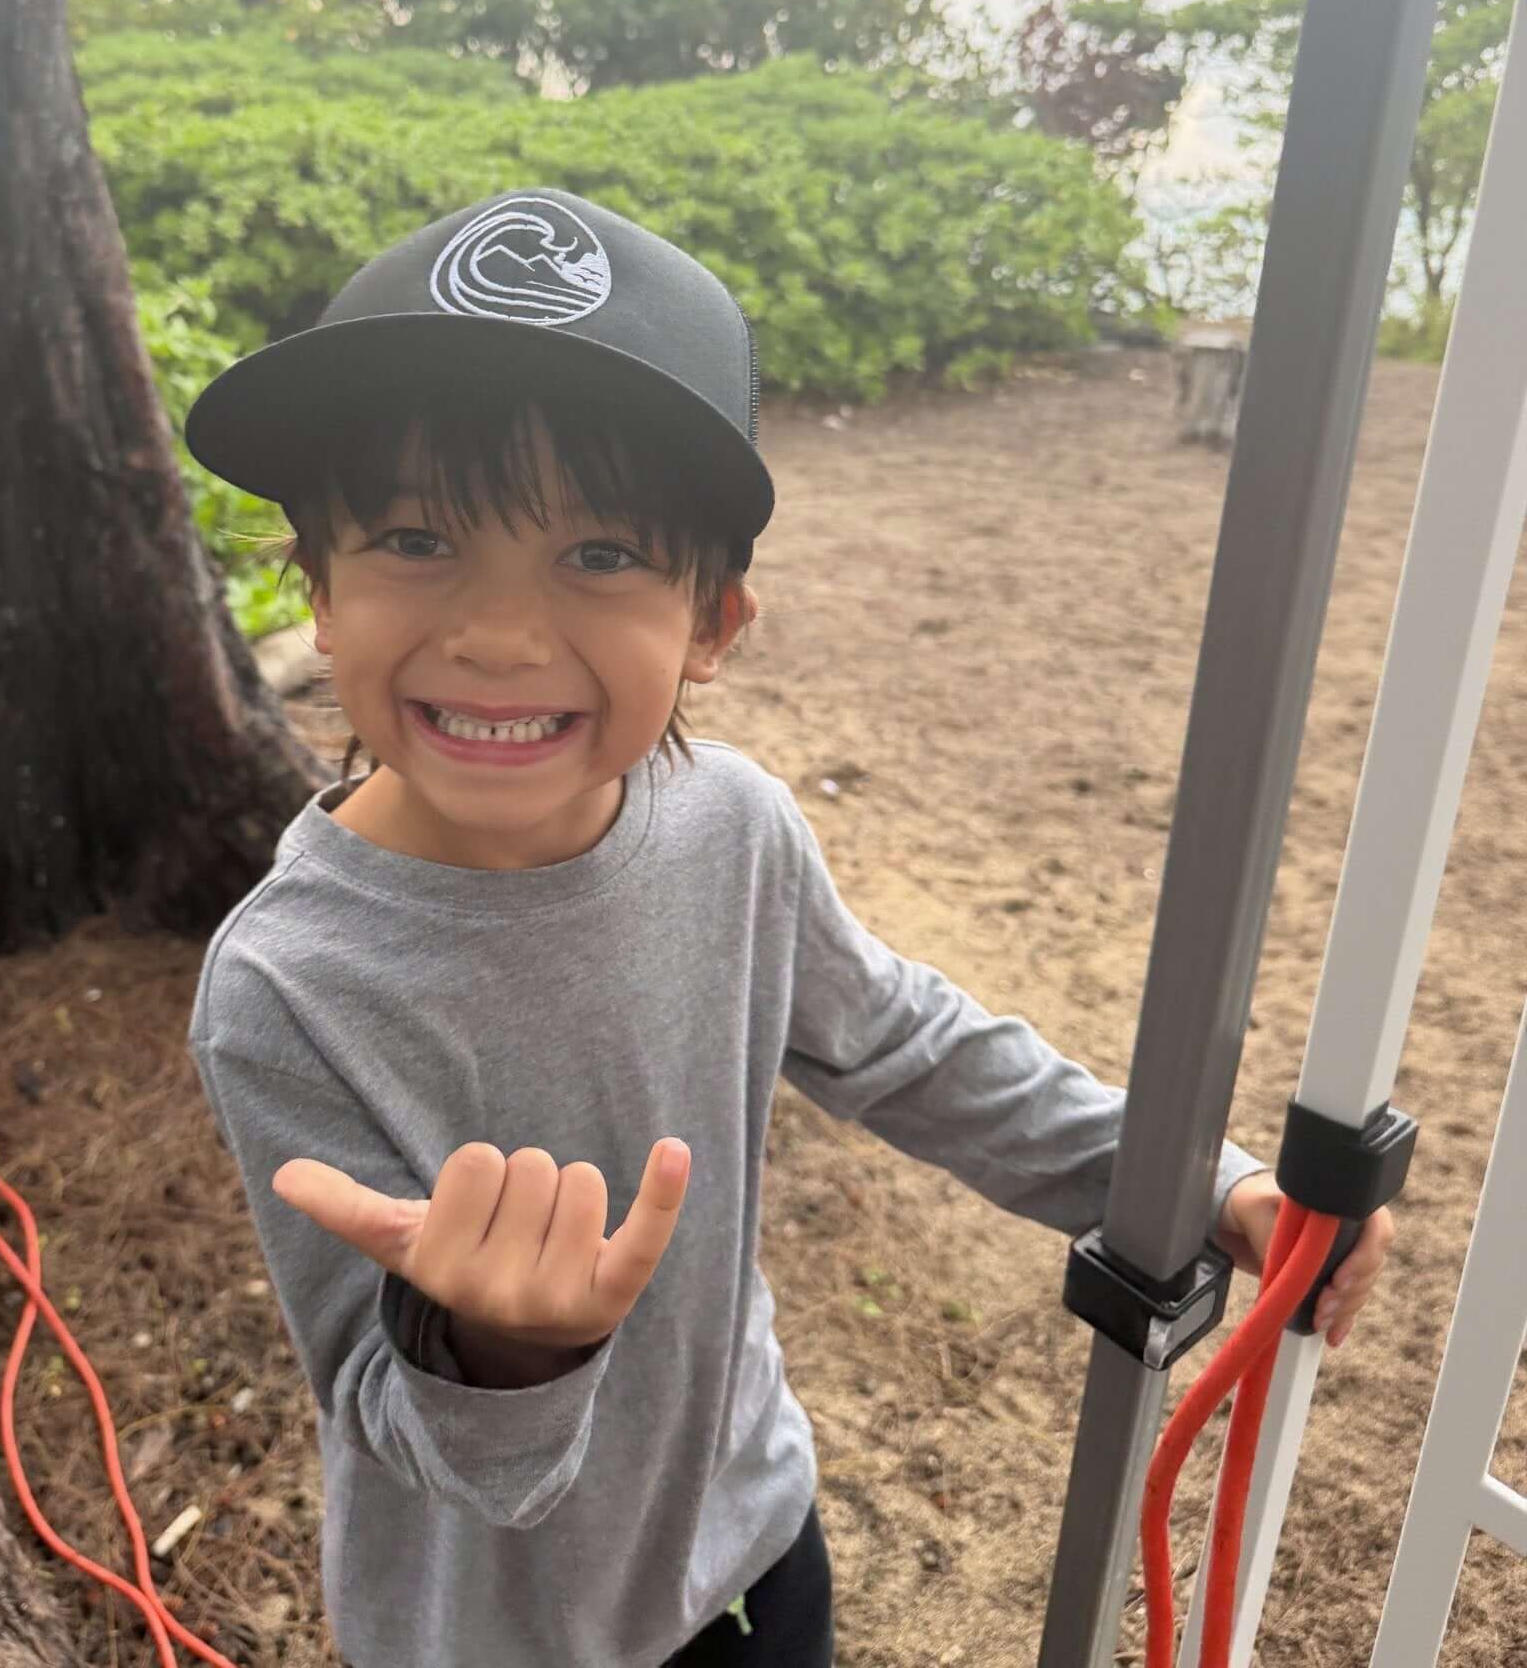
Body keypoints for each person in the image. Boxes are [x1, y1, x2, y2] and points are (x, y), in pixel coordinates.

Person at [179, 188, 1394, 1668]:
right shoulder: (288, 985)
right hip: (504, 1634)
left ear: (713, 626)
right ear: (316, 590)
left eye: (602, 556)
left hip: (756, 1545)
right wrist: (505, 1350)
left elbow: (901, 1044)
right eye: (417, 538)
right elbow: (401, 1427)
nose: (497, 632)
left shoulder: (731, 828)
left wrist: (1191, 1178)